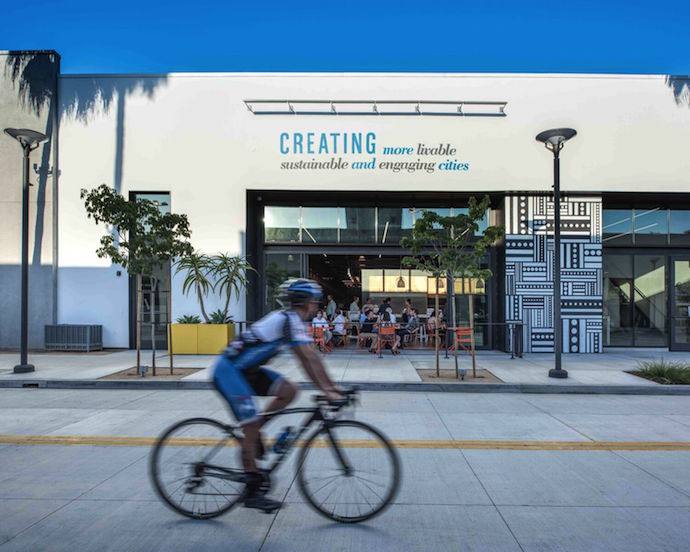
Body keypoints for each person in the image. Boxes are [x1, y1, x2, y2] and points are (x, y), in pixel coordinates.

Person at [212, 279, 344, 512]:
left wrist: (333, 388)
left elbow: (312, 356)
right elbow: (306, 360)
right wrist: (327, 391)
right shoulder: (287, 321)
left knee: (289, 390)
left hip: (247, 371)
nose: (316, 305)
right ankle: (251, 491)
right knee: (251, 425)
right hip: (229, 371)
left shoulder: (295, 321)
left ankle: (254, 432)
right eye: (314, 301)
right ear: (304, 302)